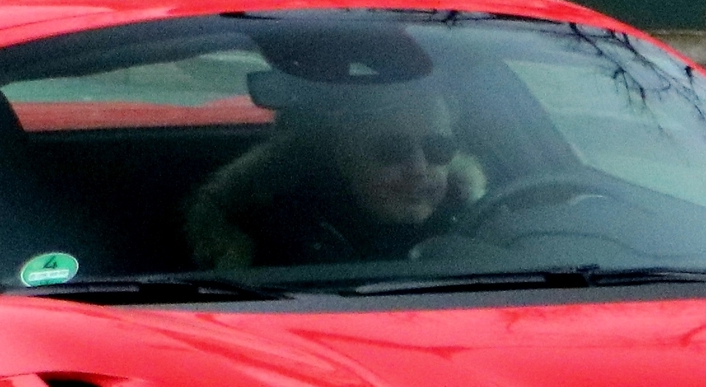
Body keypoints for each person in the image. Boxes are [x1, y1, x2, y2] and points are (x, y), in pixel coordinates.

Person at [188, 89, 486, 270]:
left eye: (438, 148)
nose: (419, 167)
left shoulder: (484, 224)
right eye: (392, 150)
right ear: (342, 157)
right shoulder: (268, 243)